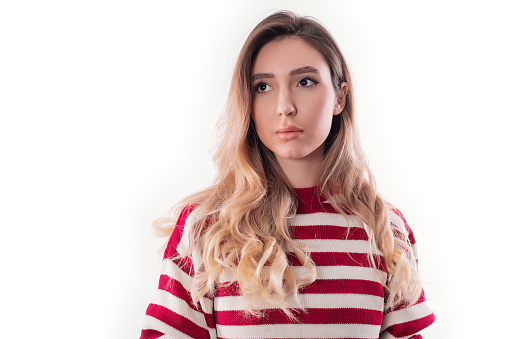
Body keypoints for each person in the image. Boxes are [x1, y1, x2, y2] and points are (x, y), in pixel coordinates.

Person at [140, 10, 434, 339]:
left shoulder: (385, 229)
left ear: (339, 97)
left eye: (305, 82)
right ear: (246, 102)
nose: (284, 106)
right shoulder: (205, 227)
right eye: (263, 86)